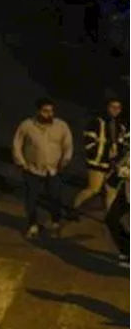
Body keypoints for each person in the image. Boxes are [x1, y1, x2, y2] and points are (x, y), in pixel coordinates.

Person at [12, 97, 75, 240]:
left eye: (51, 111)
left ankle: (55, 223)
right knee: (31, 199)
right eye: (45, 111)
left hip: (54, 170)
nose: (49, 114)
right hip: (32, 170)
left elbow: (68, 145)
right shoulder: (27, 126)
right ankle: (33, 224)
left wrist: (65, 160)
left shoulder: (61, 126)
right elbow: (17, 144)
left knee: (55, 198)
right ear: (38, 111)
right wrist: (21, 162)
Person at [75, 97, 125, 214]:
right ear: (107, 108)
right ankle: (74, 207)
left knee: (111, 191)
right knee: (93, 189)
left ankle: (110, 217)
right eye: (113, 107)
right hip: (97, 163)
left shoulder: (120, 126)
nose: (116, 110)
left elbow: (121, 144)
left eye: (118, 108)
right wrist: (102, 152)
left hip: (112, 164)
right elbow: (88, 143)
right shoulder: (96, 123)